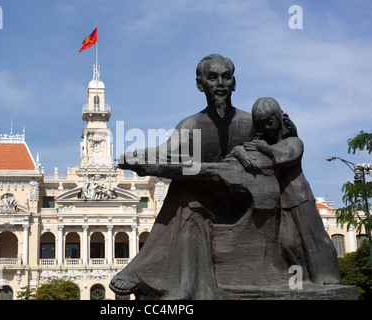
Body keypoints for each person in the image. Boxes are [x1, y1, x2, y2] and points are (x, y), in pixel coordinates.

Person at [110, 54, 256, 299]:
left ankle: (148, 274)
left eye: (226, 77)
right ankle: (184, 284)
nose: (220, 83)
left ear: (234, 83)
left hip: (244, 202)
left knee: (186, 190)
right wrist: (138, 156)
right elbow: (164, 152)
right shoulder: (190, 125)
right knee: (186, 192)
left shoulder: (250, 123)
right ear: (200, 85)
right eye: (212, 77)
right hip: (206, 203)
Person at [240, 97, 341, 285]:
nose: (267, 128)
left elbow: (286, 156)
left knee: (314, 237)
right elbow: (244, 153)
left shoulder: (294, 142)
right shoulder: (262, 145)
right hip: (280, 201)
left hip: (300, 197)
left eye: (269, 122)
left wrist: (266, 149)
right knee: (288, 243)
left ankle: (328, 275)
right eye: (261, 125)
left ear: (279, 118)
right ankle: (300, 280)